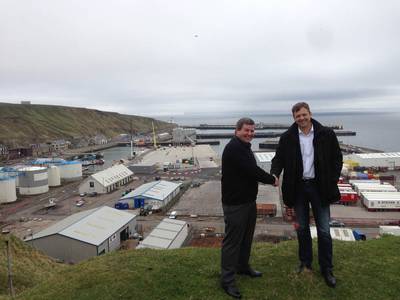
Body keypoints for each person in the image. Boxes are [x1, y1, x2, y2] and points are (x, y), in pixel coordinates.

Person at [270, 102, 343, 288]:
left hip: (320, 188)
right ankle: (305, 263)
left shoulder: (326, 134)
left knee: (324, 230)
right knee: (302, 229)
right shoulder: (287, 137)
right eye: (297, 116)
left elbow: (337, 158)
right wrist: (274, 173)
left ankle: (327, 268)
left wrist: (331, 179)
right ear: (294, 118)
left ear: (310, 113)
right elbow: (278, 158)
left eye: (304, 114)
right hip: (298, 188)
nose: (301, 118)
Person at [221, 117, 278, 299]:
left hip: (248, 202)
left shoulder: (244, 147)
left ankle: (243, 267)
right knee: (232, 243)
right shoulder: (234, 148)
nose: (250, 134)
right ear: (237, 131)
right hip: (235, 204)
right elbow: (251, 170)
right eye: (246, 130)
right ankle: (227, 280)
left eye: (252, 131)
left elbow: (249, 171)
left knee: (246, 239)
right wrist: (272, 179)